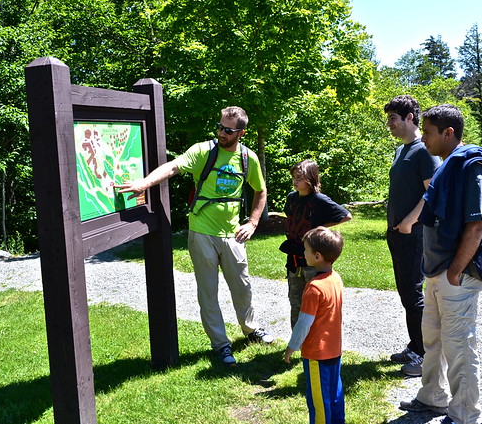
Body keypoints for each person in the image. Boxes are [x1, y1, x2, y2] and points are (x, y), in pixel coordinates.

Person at [118, 106, 273, 366]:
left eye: (228, 130)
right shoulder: (204, 150)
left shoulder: (248, 158)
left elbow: (260, 190)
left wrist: (253, 222)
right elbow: (173, 167)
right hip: (201, 232)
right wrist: (144, 183)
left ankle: (250, 329)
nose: (221, 133)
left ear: (241, 133)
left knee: (243, 288)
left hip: (234, 235)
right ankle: (221, 345)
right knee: (208, 293)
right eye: (220, 126)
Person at [400, 104, 482, 424]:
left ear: (449, 133)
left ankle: (463, 413)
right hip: (436, 272)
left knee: (459, 346)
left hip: (455, 274)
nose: (422, 138)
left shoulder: (473, 167)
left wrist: (455, 270)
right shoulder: (447, 165)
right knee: (433, 339)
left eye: (429, 132)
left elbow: (477, 224)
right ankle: (432, 396)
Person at [383, 95, 441, 377]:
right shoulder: (401, 151)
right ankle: (415, 345)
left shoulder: (424, 151)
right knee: (407, 292)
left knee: (414, 294)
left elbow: (432, 192)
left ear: (409, 118)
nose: (389, 124)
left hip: (414, 233)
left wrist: (408, 221)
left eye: (393, 118)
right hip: (397, 233)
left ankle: (424, 355)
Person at [284, 226, 345, 424]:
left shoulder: (314, 287)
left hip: (316, 355)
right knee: (335, 394)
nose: (303, 253)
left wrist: (291, 347)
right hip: (334, 350)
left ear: (317, 256)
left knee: (319, 401)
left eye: (306, 250)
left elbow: (304, 323)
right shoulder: (335, 279)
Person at [280, 159, 351, 328]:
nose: (295, 181)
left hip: (312, 259)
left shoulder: (319, 199)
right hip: (294, 258)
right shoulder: (292, 198)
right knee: (295, 301)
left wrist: (318, 229)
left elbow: (346, 215)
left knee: (315, 302)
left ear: (310, 179)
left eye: (299, 178)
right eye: (294, 177)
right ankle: (298, 342)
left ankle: (318, 343)